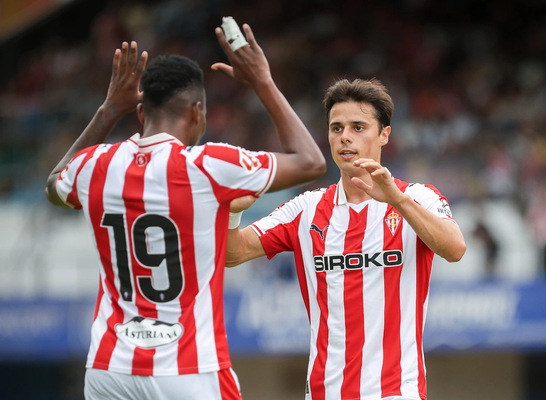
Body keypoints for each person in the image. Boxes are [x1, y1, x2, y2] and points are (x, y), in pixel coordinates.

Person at [45, 22, 326, 400]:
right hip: (189, 369)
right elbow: (310, 162)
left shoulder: (94, 164)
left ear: (140, 113)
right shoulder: (208, 166)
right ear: (197, 112)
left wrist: (109, 109)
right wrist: (262, 81)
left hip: (109, 368)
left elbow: (54, 186)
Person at [226, 78, 466, 400]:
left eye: (358, 127)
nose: (345, 137)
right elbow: (233, 253)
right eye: (336, 128)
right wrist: (232, 212)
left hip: (396, 392)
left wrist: (398, 200)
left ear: (384, 134)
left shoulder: (417, 197)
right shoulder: (306, 209)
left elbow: (455, 248)